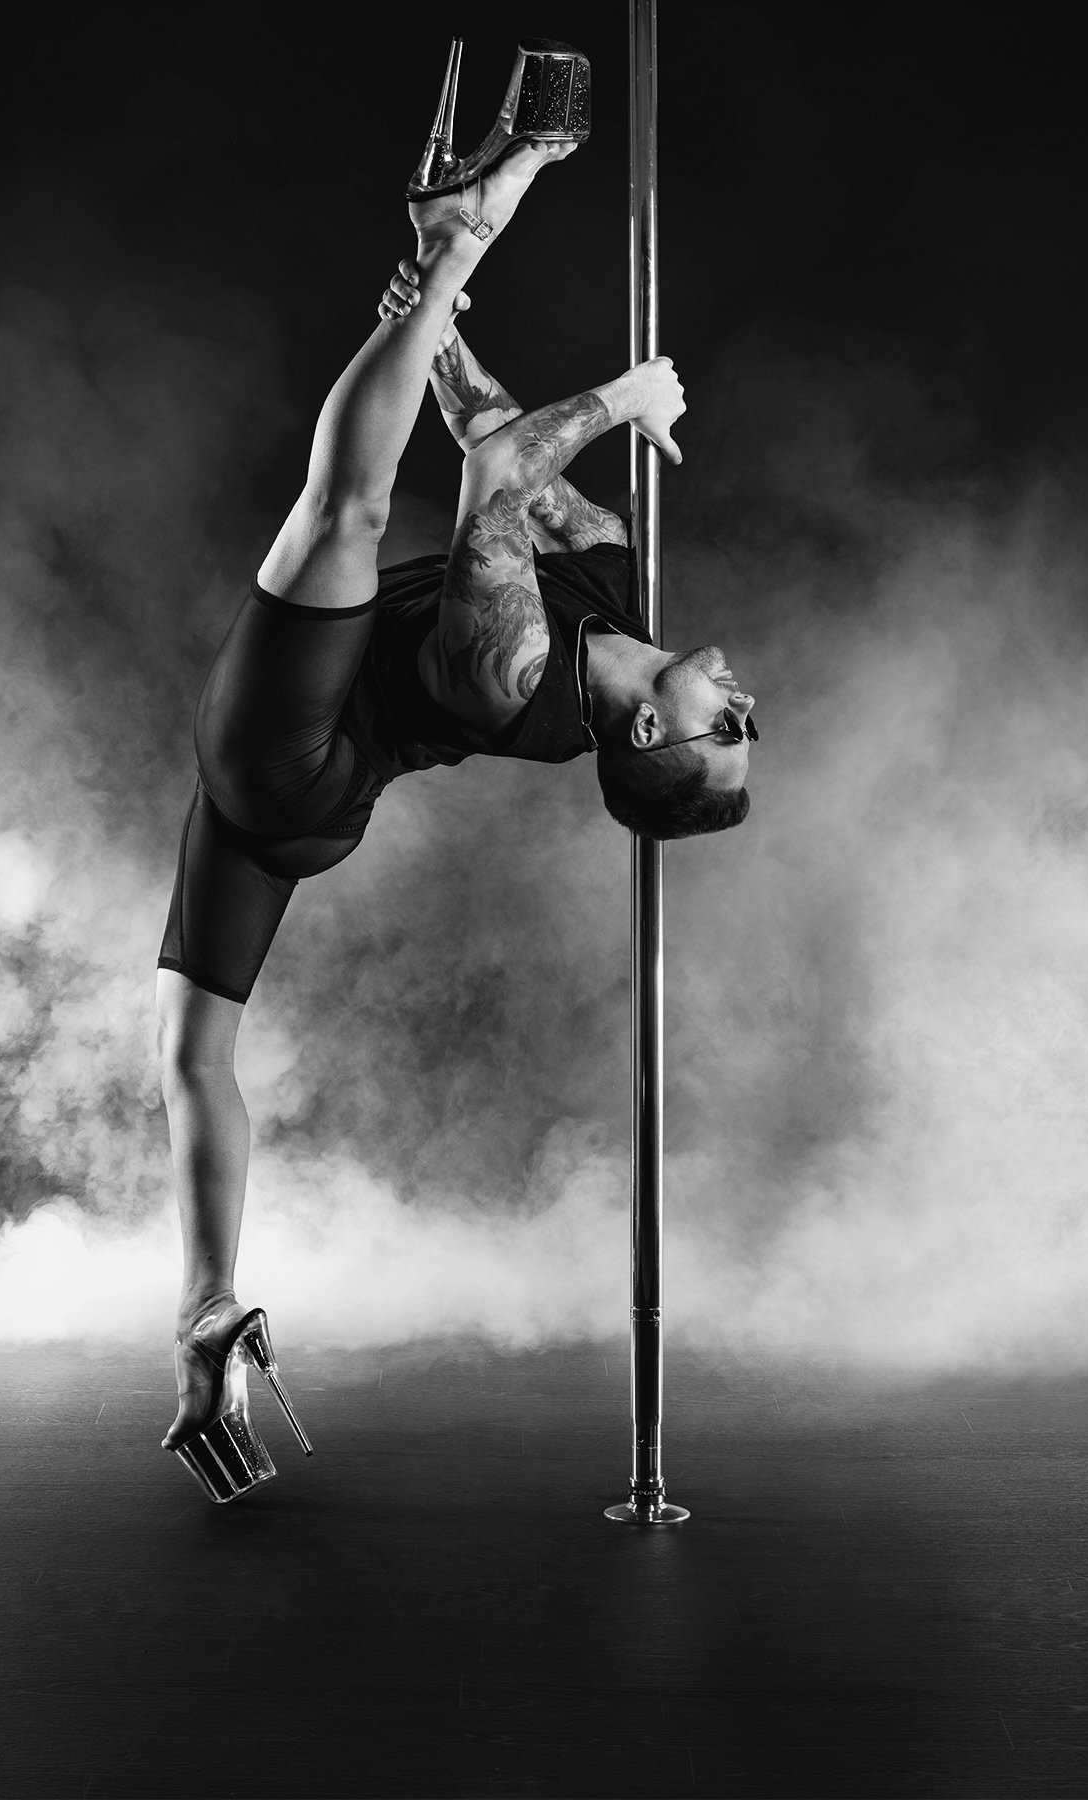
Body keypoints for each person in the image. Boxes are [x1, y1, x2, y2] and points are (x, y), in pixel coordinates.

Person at [156, 111, 757, 1502]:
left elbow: (493, 482)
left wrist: (622, 398)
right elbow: (494, 435)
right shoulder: (614, 585)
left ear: (653, 730)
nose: (744, 706)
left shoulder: (522, 675)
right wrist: (439, 345)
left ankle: (458, 232)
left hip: (289, 756)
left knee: (345, 517)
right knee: (193, 1055)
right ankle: (203, 1316)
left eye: (728, 734)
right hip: (297, 816)